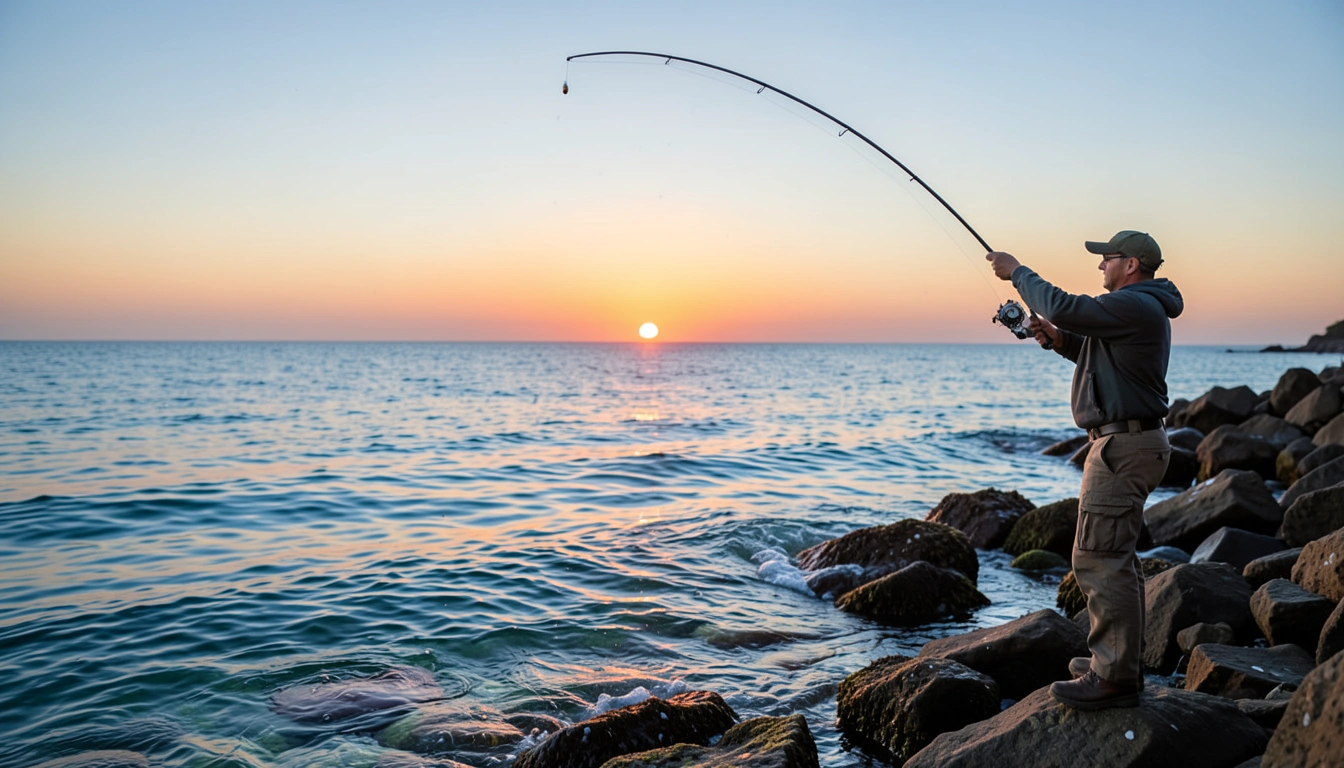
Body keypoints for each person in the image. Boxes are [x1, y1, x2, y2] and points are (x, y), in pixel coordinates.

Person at [986, 230, 1184, 710]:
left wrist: (1017, 272)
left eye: (1107, 259)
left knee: (1097, 559)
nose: (1101, 267)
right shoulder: (1136, 309)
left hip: (1123, 446)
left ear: (1131, 264)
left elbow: (1068, 305)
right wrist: (1058, 341)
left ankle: (1113, 678)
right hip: (1132, 441)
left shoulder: (1135, 304)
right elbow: (1097, 351)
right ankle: (1119, 664)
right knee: (1118, 558)